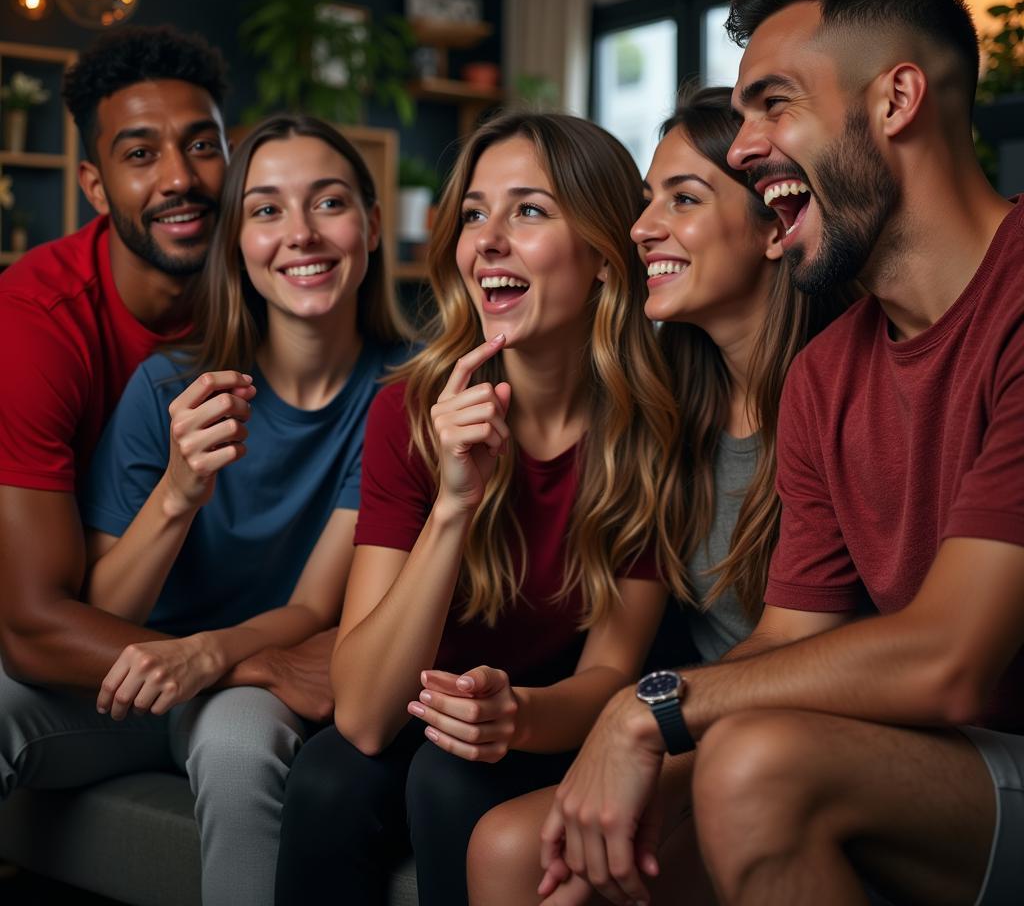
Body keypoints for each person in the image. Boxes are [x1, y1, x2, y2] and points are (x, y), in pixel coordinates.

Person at [535, 0, 1024, 906]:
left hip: (984, 744)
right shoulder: (827, 374)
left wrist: (654, 705)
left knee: (755, 767)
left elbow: (953, 659)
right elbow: (793, 635)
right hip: (938, 760)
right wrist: (626, 736)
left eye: (776, 103)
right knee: (527, 850)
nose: (747, 143)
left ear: (895, 101)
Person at [274, 111, 685, 906]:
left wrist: (519, 718)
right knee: (328, 776)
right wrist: (455, 504)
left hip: (554, 716)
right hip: (417, 705)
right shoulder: (408, 411)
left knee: (449, 780)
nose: (487, 239)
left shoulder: (651, 428)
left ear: (604, 254)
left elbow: (610, 672)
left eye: (528, 210)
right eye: (473, 214)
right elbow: (361, 714)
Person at [466, 86, 854, 905]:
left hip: (801, 737)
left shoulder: (835, 396)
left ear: (774, 230)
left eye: (681, 198)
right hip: (700, 727)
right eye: (647, 200)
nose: (642, 227)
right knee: (506, 846)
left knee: (540, 868)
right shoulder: (672, 407)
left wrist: (646, 721)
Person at [0, 30, 339, 905]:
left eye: (201, 145)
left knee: (235, 742)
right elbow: (35, 625)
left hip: (215, 653)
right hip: (104, 648)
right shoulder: (39, 321)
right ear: (93, 184)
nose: (180, 178)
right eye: (139, 154)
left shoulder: (299, 311)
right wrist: (236, 660)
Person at [75, 113, 410, 902]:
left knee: (234, 741)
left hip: (258, 686)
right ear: (235, 241)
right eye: (265, 210)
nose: (299, 234)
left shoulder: (403, 395)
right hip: (130, 683)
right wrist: (180, 491)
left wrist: (208, 656)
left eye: (328, 203)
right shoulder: (165, 387)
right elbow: (107, 608)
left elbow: (315, 605)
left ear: (370, 224)